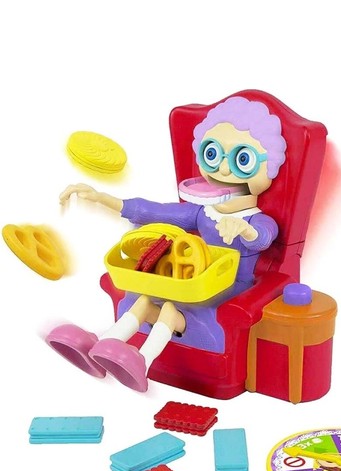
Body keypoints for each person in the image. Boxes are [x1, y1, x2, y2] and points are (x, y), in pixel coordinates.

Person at [47, 96, 287, 392]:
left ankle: (143, 360)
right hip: (189, 281)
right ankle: (101, 345)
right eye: (212, 154)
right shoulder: (201, 212)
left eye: (242, 159)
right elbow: (152, 211)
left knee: (171, 309)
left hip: (230, 287)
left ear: (268, 167)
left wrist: (245, 231)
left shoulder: (257, 219)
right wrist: (102, 197)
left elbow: (264, 237)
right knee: (142, 299)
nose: (225, 170)